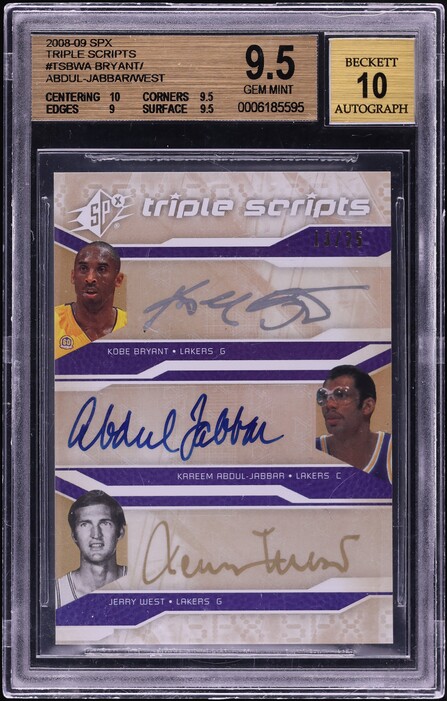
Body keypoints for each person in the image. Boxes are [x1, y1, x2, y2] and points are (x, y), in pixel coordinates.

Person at [315, 364, 392, 483]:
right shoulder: (310, 452)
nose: (329, 404)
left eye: (341, 395)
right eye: (324, 396)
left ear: (367, 406)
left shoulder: (394, 452)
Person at [55, 490, 127, 608]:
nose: (96, 534)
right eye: (85, 524)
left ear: (120, 532)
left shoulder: (140, 584)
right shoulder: (55, 593)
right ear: (74, 536)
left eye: (105, 523)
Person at [55, 241, 127, 358]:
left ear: (118, 280)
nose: (90, 278)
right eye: (83, 268)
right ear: (73, 276)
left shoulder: (132, 327)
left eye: (101, 269)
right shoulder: (49, 324)